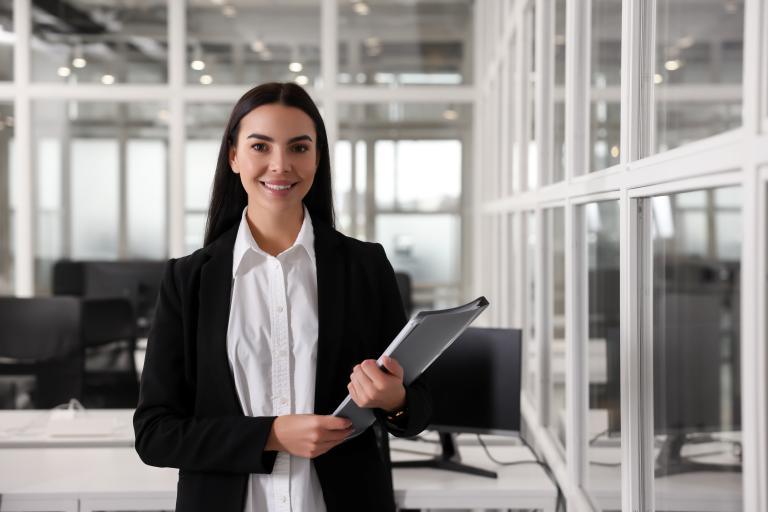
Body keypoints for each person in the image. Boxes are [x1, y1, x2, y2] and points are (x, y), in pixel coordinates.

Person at [133, 82, 432, 512]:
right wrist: (272, 435)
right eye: (260, 146)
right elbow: (155, 433)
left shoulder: (365, 266)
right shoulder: (188, 279)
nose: (280, 165)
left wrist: (394, 400)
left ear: (317, 158)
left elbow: (418, 408)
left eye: (298, 148)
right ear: (234, 156)